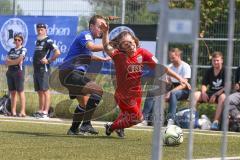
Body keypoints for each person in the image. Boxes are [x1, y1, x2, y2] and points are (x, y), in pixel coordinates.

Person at [100, 22, 191, 138]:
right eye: (125, 44)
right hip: (123, 95)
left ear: (134, 40)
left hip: (136, 93)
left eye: (131, 42)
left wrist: (180, 78)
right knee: (138, 118)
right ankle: (112, 127)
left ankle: (118, 127)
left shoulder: (143, 53)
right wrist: (105, 32)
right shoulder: (118, 55)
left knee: (127, 116)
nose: (130, 45)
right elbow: (106, 47)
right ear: (121, 46)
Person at [59, 15, 111, 135]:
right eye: (100, 26)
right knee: (98, 91)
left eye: (103, 27)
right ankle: (86, 125)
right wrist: (109, 44)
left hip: (68, 74)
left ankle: (73, 130)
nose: (101, 29)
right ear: (91, 26)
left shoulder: (89, 38)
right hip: (70, 73)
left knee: (84, 103)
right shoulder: (85, 35)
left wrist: (101, 59)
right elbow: (92, 47)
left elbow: (88, 55)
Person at [140, 48, 191, 126]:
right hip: (171, 87)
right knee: (151, 92)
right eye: (170, 57)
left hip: (184, 90)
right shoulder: (169, 66)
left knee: (173, 94)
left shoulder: (186, 66)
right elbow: (167, 83)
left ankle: (171, 119)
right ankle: (144, 119)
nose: (171, 59)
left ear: (179, 56)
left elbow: (184, 84)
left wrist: (170, 92)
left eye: (173, 57)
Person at [32, 23, 61, 119]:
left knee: (45, 90)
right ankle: (40, 110)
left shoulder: (48, 40)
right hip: (36, 69)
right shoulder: (38, 41)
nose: (40, 31)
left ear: (45, 30)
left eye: (42, 29)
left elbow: (57, 52)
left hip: (43, 69)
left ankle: (45, 112)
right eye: (38, 29)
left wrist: (49, 61)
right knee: (39, 91)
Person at [194, 51, 225, 130]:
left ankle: (215, 122)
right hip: (210, 93)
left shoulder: (226, 71)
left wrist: (216, 94)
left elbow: (227, 87)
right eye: (214, 60)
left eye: (217, 60)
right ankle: (193, 119)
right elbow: (204, 84)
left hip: (221, 94)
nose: (215, 62)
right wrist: (203, 93)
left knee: (223, 97)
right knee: (196, 94)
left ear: (222, 60)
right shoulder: (209, 71)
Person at [5, 33, 27, 117]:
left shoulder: (23, 49)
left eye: (19, 40)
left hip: (18, 71)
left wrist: (12, 62)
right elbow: (6, 61)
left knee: (20, 91)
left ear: (22, 41)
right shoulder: (11, 50)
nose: (17, 41)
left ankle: (23, 111)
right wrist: (14, 61)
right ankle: (13, 111)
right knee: (12, 92)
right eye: (16, 40)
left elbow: (20, 60)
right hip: (10, 71)